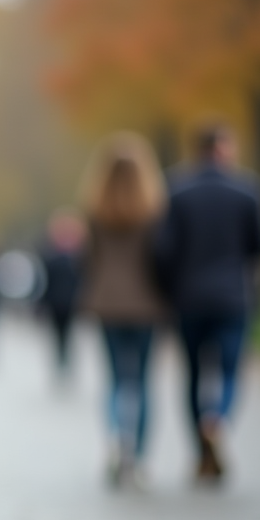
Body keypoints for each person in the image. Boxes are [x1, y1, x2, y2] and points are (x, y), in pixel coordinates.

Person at [157, 123, 260, 483]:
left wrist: (169, 287)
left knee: (193, 374)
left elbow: (163, 250)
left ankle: (200, 453)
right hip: (233, 296)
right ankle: (216, 419)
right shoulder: (246, 191)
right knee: (231, 370)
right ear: (221, 149)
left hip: (189, 297)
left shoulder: (175, 191)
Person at [78, 133, 168, 489]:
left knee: (116, 380)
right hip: (148, 303)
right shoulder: (155, 211)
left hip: (107, 303)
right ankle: (140, 457)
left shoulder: (95, 211)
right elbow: (162, 258)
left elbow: (89, 260)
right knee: (144, 381)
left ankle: (117, 440)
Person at [38, 209, 86, 382]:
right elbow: (45, 282)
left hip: (71, 303)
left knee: (68, 336)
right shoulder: (51, 256)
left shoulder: (79, 256)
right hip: (57, 303)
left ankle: (65, 363)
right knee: (59, 336)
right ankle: (61, 363)